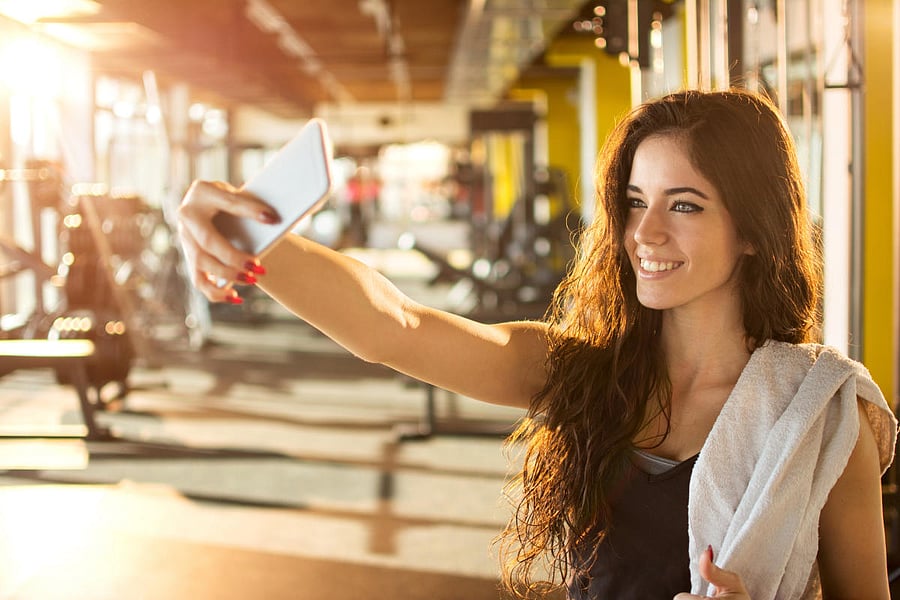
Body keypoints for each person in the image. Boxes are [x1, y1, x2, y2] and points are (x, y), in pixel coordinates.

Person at [176, 89, 897, 599]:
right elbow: (392, 328)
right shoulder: (578, 374)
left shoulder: (819, 417)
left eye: (684, 206)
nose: (645, 234)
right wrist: (254, 246)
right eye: (636, 203)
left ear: (751, 231)